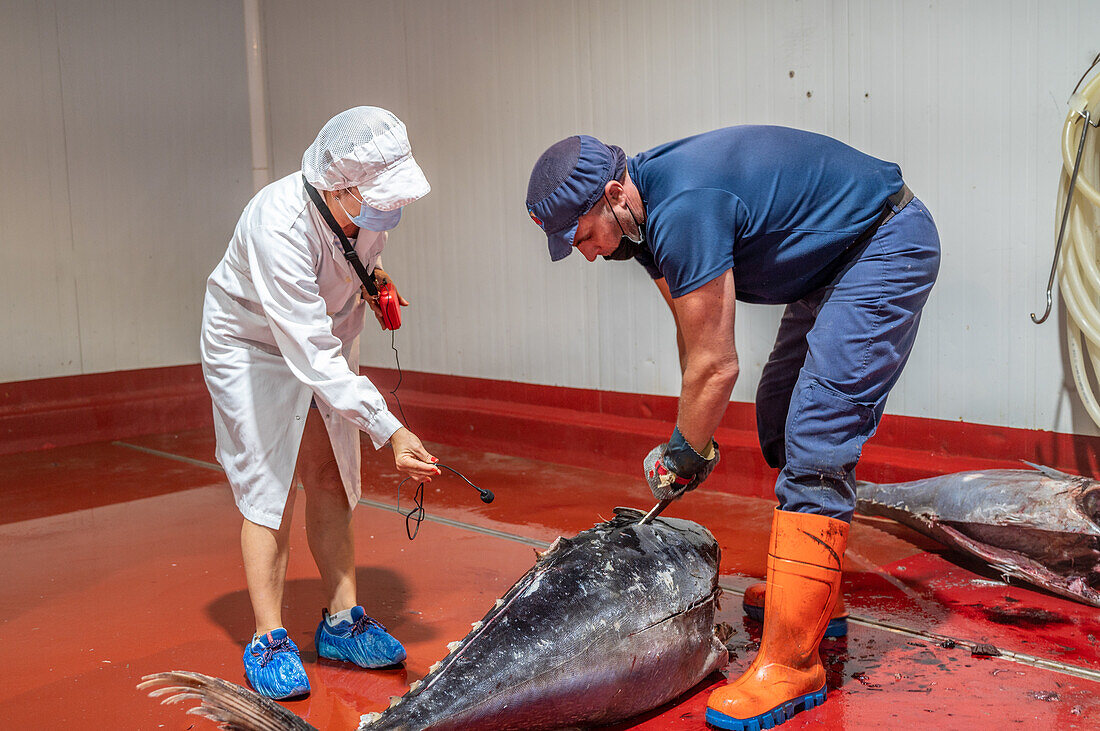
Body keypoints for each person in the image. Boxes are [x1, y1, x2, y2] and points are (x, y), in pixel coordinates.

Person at [525, 127, 939, 729]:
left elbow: (717, 365)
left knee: (819, 433)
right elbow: (695, 337)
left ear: (612, 194)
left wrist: (684, 452)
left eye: (584, 237)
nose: (586, 254)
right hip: (828, 266)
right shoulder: (637, 225)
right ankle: (814, 597)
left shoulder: (684, 207)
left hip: (882, 243)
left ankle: (795, 664)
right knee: (778, 411)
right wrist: (686, 437)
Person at [201, 106, 441, 700]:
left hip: (323, 337)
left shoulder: (360, 206)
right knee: (269, 486)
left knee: (331, 472)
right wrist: (390, 428)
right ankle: (268, 637)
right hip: (252, 344)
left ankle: (341, 621)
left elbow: (358, 257)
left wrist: (376, 281)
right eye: (377, 195)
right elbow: (310, 353)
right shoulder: (277, 224)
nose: (389, 208)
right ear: (338, 183)